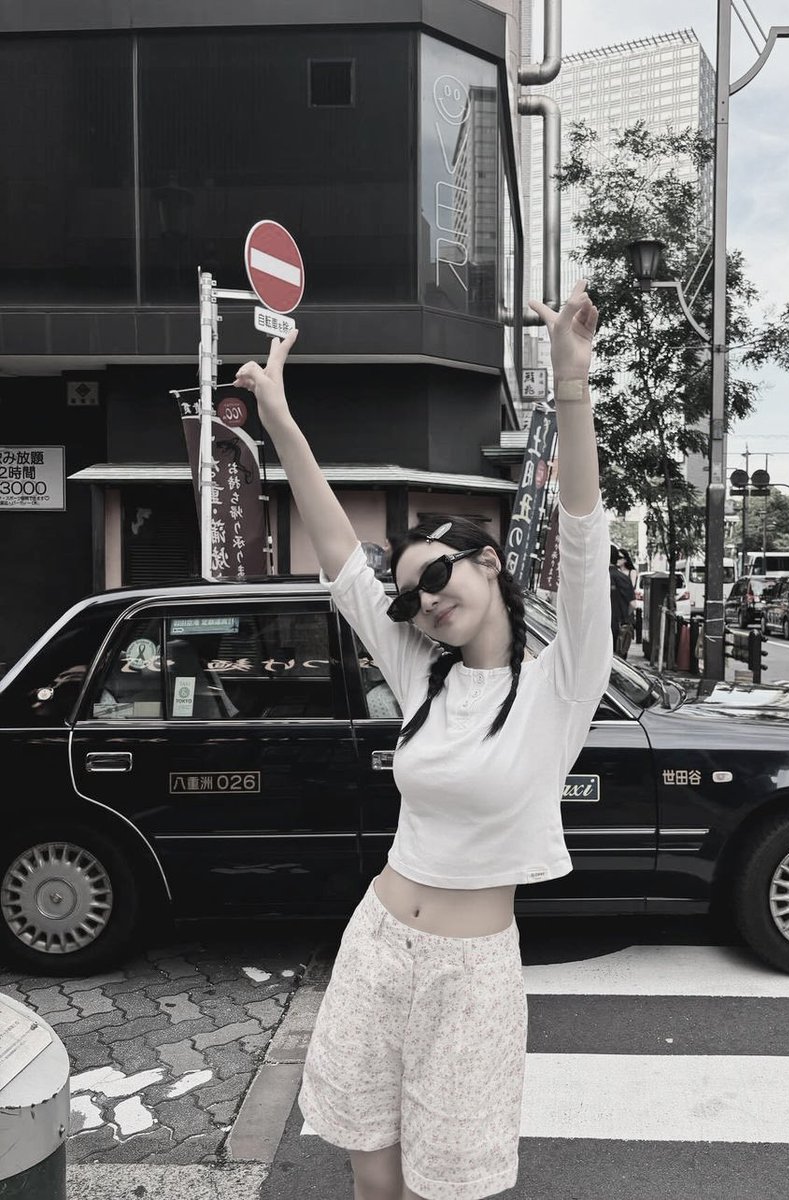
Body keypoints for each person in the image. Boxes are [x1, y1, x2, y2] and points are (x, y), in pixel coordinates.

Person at [232, 278, 610, 1200]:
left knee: (450, 1188)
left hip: (471, 976)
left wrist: (570, 386)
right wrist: (279, 421)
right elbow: (333, 551)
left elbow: (584, 531)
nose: (422, 601)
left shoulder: (562, 682)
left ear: (485, 560)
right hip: (376, 944)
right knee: (372, 1181)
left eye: (435, 573)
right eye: (408, 596)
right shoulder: (420, 676)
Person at [609, 548, 635, 658]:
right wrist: (625, 617)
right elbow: (633, 604)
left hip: (599, 628)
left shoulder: (597, 577)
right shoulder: (623, 578)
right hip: (619, 626)